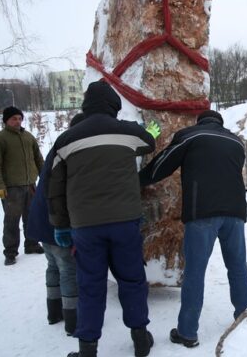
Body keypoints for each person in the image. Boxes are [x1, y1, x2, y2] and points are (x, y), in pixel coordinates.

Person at [47, 80, 156, 357]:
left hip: (86, 227)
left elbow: (55, 188)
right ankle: (141, 339)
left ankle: (87, 349)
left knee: (90, 286)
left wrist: (61, 225)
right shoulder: (128, 133)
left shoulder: (66, 140)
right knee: (132, 280)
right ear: (114, 107)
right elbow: (149, 143)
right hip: (125, 222)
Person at [138, 110, 247, 348]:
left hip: (202, 213)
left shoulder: (191, 136)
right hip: (235, 213)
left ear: (200, 122)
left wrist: (138, 179)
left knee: (195, 271)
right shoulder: (236, 142)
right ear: (220, 123)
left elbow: (163, 164)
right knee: (238, 266)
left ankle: (188, 332)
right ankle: (245, 318)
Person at [26, 113, 85, 336]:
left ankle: (54, 312)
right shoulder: (72, 150)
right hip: (55, 222)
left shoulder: (59, 146)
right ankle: (73, 320)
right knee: (68, 270)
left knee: (53, 266)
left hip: (41, 220)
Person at [0, 105, 45, 265]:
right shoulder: (0, 139)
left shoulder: (28, 137)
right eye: (14, 118)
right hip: (12, 188)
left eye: (20, 118)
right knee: (12, 221)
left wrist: (46, 176)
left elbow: (38, 158)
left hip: (30, 185)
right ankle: (10, 252)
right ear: (6, 120)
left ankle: (32, 244)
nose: (18, 121)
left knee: (32, 217)